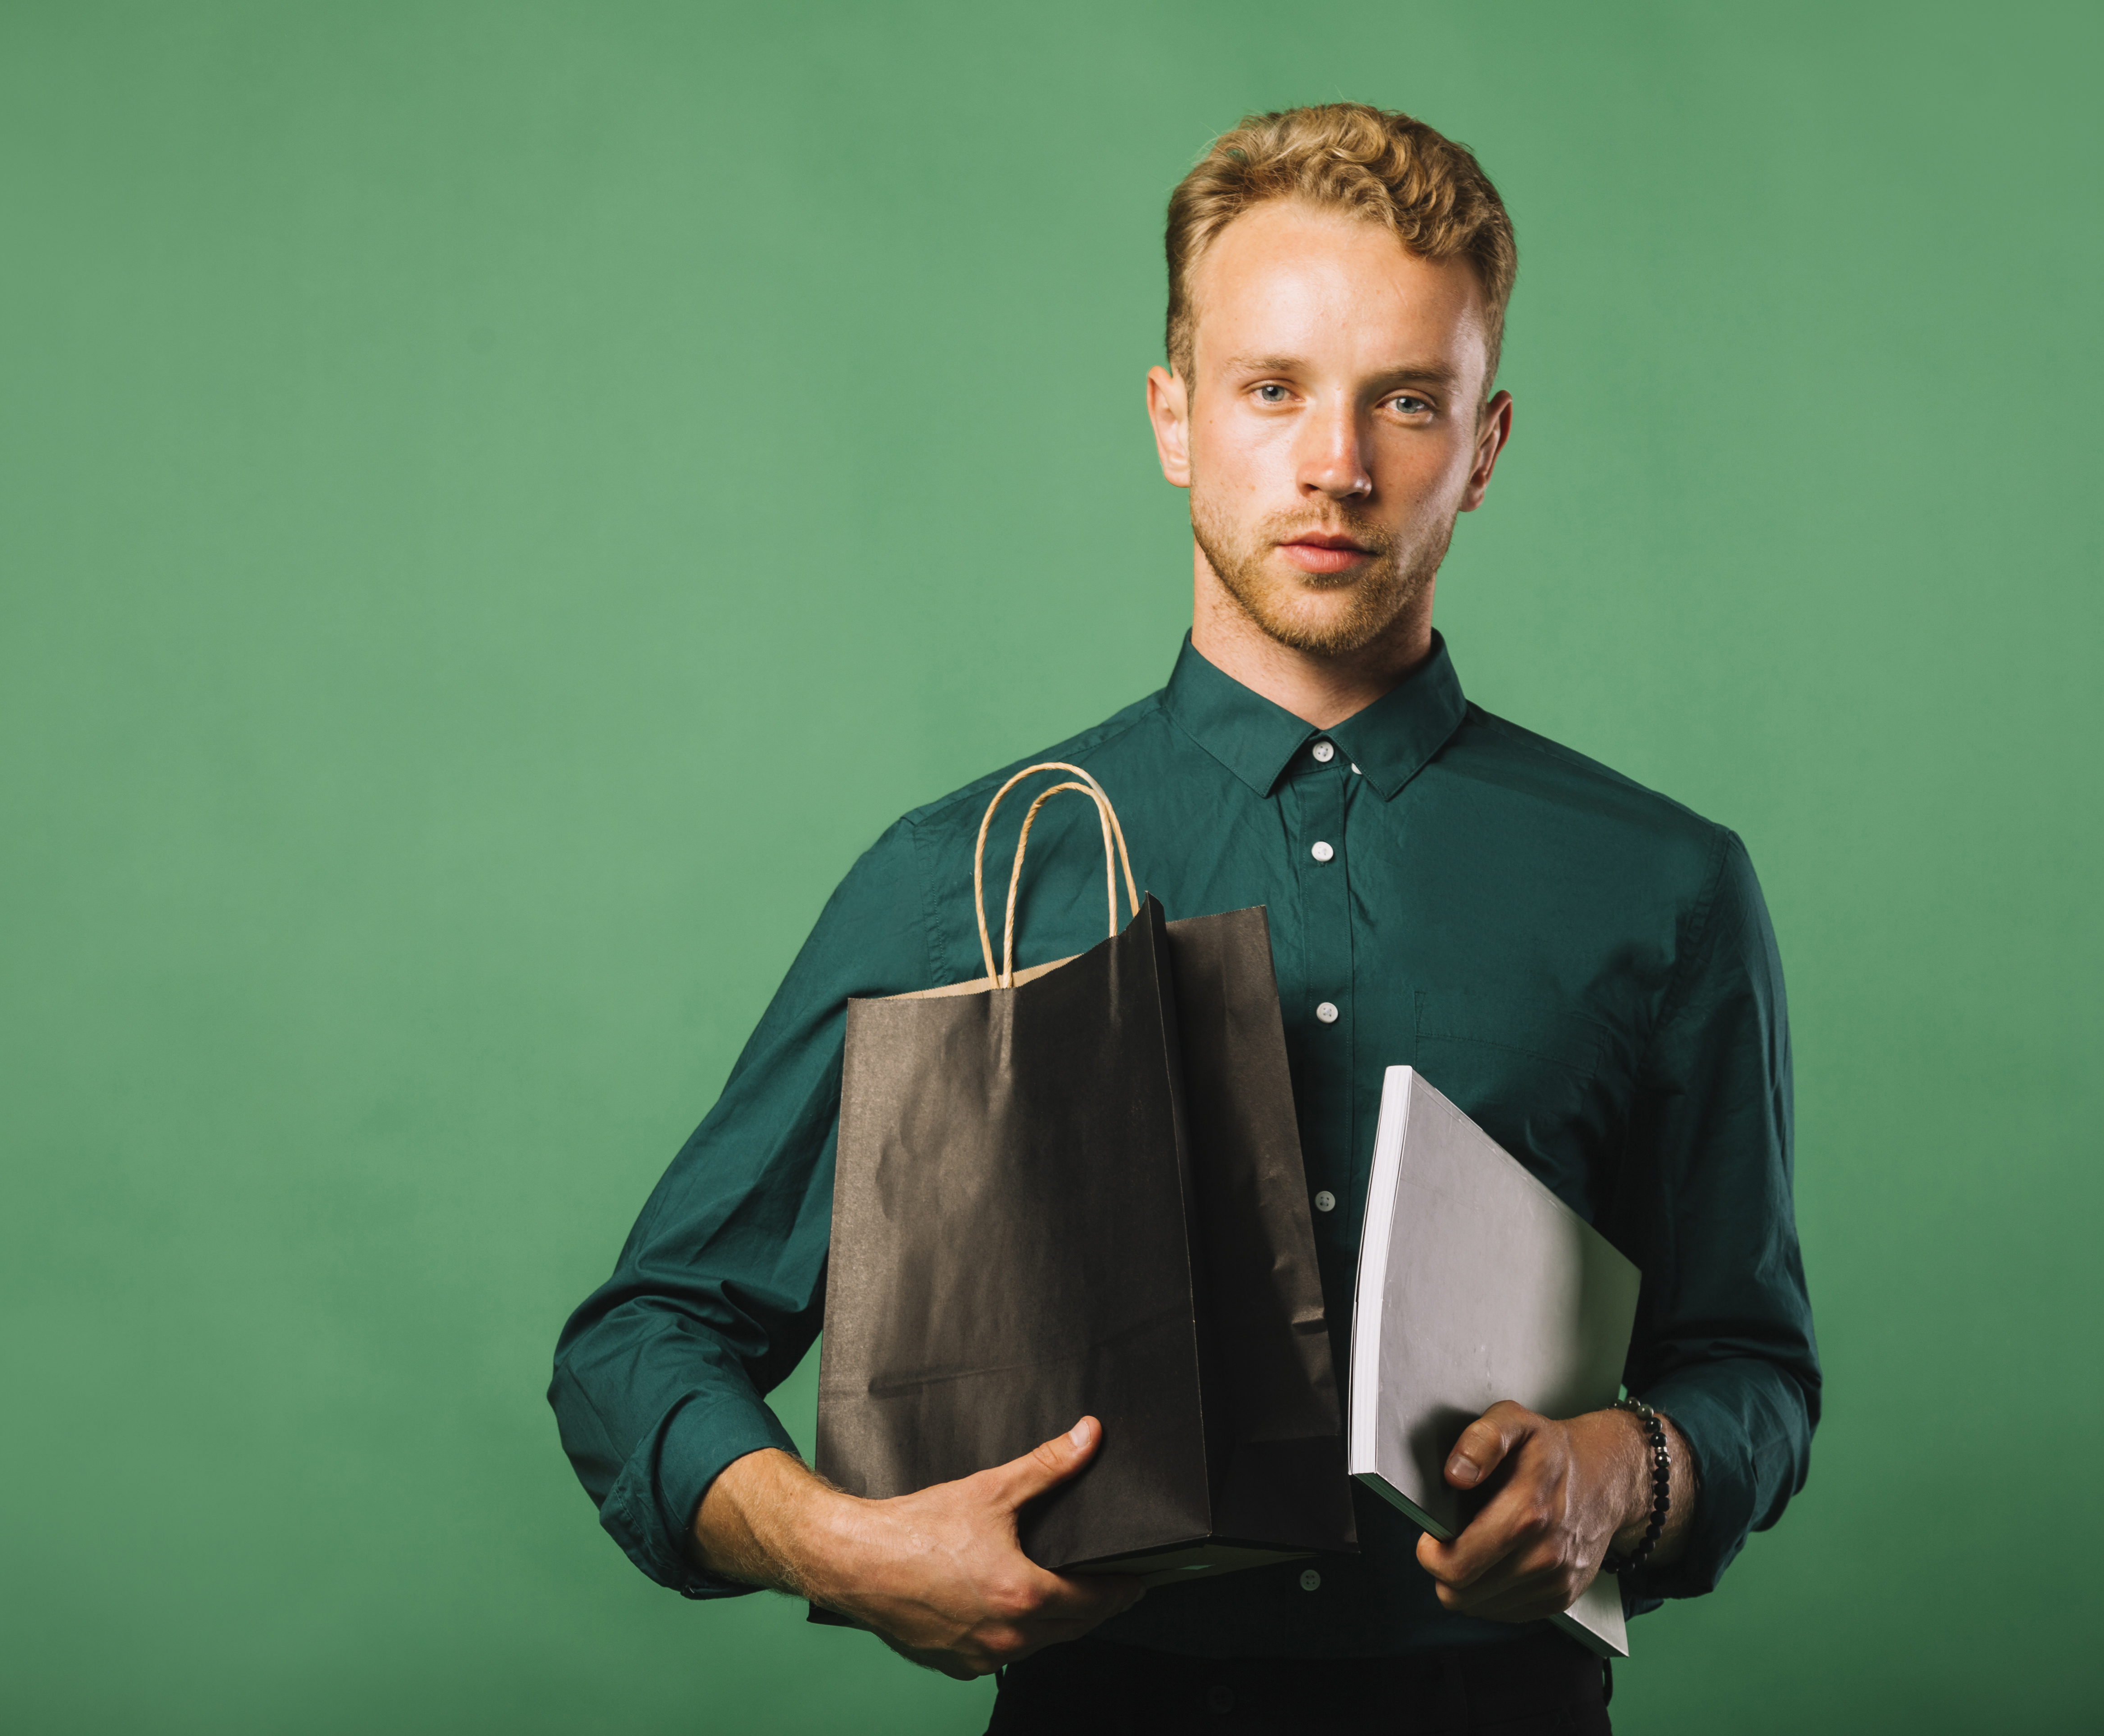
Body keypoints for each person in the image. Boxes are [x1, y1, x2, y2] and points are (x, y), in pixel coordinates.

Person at [548, 103, 1818, 1733]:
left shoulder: (1665, 888)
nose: (1336, 465)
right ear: (1174, 417)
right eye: (1272, 388)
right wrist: (844, 1549)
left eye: (1406, 402)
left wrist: (1622, 1475)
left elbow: (1753, 1376)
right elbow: (643, 1343)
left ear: (1484, 447)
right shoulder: (970, 874)